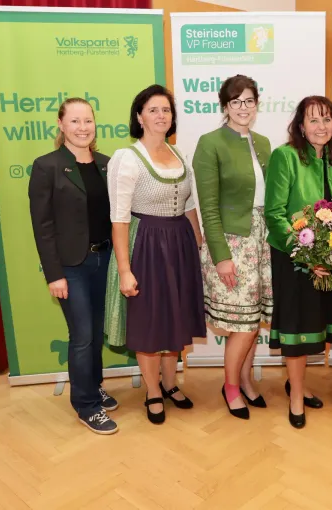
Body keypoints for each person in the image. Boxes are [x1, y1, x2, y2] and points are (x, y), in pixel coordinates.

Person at [104, 85, 206, 425]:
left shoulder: (179, 154)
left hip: (179, 244)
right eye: (153, 110)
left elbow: (190, 205)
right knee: (149, 322)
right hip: (146, 244)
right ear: (139, 117)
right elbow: (119, 219)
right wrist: (125, 269)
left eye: (166, 110)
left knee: (174, 317)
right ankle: (152, 391)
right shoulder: (127, 158)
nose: (161, 115)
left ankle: (170, 382)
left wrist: (198, 245)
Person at [29, 97, 119, 435]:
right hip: (71, 267)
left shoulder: (108, 165)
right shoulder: (47, 166)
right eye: (75, 121)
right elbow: (43, 226)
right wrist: (54, 275)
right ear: (61, 125)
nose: (83, 127)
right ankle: (86, 405)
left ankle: (93, 386)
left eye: (88, 121)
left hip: (105, 260)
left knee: (95, 332)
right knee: (81, 335)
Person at [193, 75, 272, 420]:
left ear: (257, 105)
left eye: (249, 101)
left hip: (262, 242)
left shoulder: (264, 143)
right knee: (243, 325)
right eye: (236, 101)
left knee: (253, 321)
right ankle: (231, 387)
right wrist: (221, 257)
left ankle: (246, 380)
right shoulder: (210, 143)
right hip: (231, 243)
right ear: (225, 106)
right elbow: (208, 207)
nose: (243, 108)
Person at [264, 96, 332, 429]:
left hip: (327, 259)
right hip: (293, 259)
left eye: (327, 119)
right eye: (313, 120)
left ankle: (297, 384)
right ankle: (296, 397)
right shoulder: (285, 156)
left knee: (314, 328)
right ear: (300, 125)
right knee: (297, 330)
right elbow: (274, 214)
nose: (321, 126)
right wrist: (306, 255)